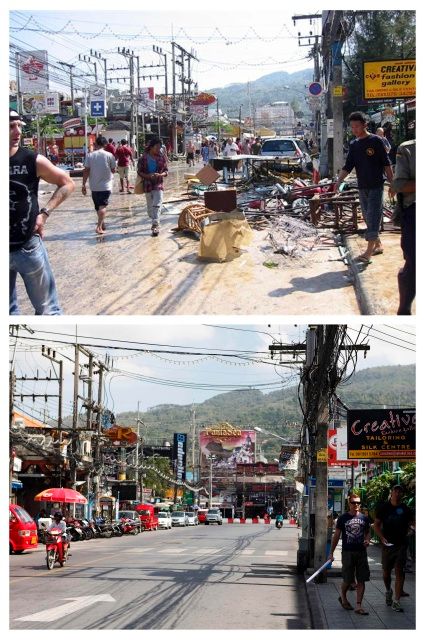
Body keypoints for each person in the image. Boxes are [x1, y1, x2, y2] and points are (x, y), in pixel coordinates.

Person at [10, 109, 75, 315]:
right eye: (11, 126)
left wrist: (44, 214)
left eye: (19, 125)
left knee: (48, 311)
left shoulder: (32, 160)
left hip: (27, 247)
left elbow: (67, 183)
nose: (17, 131)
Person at [335, 111, 393, 263]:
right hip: (362, 186)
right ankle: (378, 244)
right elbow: (348, 166)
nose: (354, 130)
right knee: (367, 216)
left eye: (357, 126)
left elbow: (386, 163)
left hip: (376, 185)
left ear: (364, 125)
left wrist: (393, 183)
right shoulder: (354, 145)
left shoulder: (376, 141)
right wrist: (339, 181)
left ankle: (368, 251)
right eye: (352, 127)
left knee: (373, 215)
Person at [374, 485, 415, 613]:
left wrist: (411, 531)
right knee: (386, 573)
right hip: (387, 545)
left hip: (401, 545)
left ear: (402, 494)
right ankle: (388, 590)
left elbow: (413, 523)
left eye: (400, 491)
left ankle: (396, 601)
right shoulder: (384, 508)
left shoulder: (405, 509)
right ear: (391, 492)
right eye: (395, 491)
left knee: (399, 571)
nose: (397, 493)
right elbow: (376, 525)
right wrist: (381, 538)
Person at [328, 494, 371, 615]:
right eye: (353, 502)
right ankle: (343, 597)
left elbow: (368, 532)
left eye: (358, 502)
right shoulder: (343, 518)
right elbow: (336, 536)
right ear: (349, 503)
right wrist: (331, 553)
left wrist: (367, 540)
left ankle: (358, 605)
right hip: (348, 553)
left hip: (361, 552)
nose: (356, 504)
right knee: (347, 579)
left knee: (361, 579)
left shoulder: (364, 518)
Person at [390, 139, 415, 315]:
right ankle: (404, 310)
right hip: (414, 211)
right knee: (414, 265)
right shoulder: (408, 150)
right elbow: (399, 185)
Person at [82, 135, 116, 234]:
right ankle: (98, 227)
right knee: (103, 206)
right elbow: (113, 170)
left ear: (96, 144)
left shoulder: (90, 155)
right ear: (105, 144)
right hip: (106, 185)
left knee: (98, 206)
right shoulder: (109, 155)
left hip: (94, 186)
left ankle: (102, 223)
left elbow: (86, 171)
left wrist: (83, 184)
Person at [137, 136, 168, 237]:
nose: (158, 150)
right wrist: (148, 176)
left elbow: (166, 171)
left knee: (157, 203)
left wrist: (160, 175)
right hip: (147, 185)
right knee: (150, 209)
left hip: (158, 184)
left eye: (160, 148)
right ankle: (154, 218)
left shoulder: (161, 157)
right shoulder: (143, 158)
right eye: (157, 147)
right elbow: (139, 172)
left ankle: (155, 225)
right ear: (151, 147)